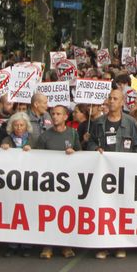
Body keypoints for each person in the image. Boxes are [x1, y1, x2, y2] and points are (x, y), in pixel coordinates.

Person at [84, 87, 137, 259]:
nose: (112, 101)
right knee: (104, 209)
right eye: (110, 98)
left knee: (121, 209)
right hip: (103, 174)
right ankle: (103, 245)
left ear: (122, 102)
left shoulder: (131, 123)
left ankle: (119, 245)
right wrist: (95, 148)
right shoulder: (99, 122)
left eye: (115, 98)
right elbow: (91, 143)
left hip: (123, 174)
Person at [33, 105, 79, 259]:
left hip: (68, 182)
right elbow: (37, 158)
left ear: (66, 117)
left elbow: (81, 155)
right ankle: (48, 245)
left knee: (66, 213)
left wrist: (75, 153)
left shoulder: (73, 134)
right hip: (49, 182)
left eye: (58, 114)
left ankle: (66, 245)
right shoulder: (45, 136)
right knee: (49, 213)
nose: (54, 116)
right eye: (52, 114)